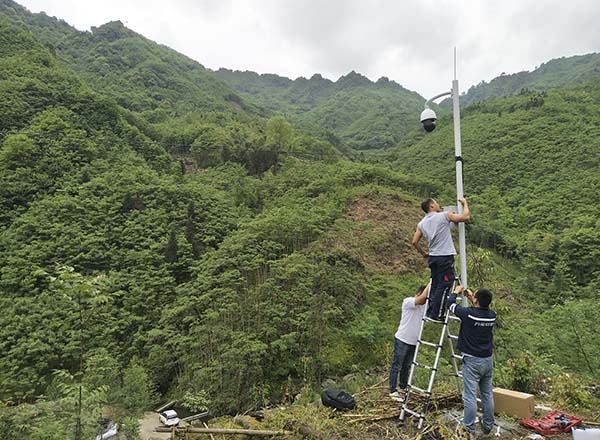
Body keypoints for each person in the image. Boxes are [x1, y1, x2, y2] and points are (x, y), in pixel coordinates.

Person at [448, 285, 496, 435]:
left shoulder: (468, 314)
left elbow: (450, 306)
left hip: (472, 361)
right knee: (487, 394)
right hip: (487, 360)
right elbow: (479, 310)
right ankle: (488, 425)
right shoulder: (492, 315)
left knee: (470, 395)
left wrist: (455, 292)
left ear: (476, 300)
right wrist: (472, 298)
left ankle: (468, 427)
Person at [411, 198, 470, 320]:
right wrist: (465, 203)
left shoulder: (421, 223)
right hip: (445, 256)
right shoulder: (444, 216)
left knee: (435, 284)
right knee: (445, 284)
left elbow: (414, 242)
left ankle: (431, 311)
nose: (438, 204)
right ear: (431, 206)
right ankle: (437, 314)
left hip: (433, 257)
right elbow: (465, 217)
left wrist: (424, 254)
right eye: (436, 203)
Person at [388, 283, 430, 401]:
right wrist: (431, 282)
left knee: (406, 366)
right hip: (402, 339)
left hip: (414, 341)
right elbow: (421, 300)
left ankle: (403, 387)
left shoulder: (425, 306)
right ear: (418, 294)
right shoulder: (408, 302)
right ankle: (392, 390)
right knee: (397, 365)